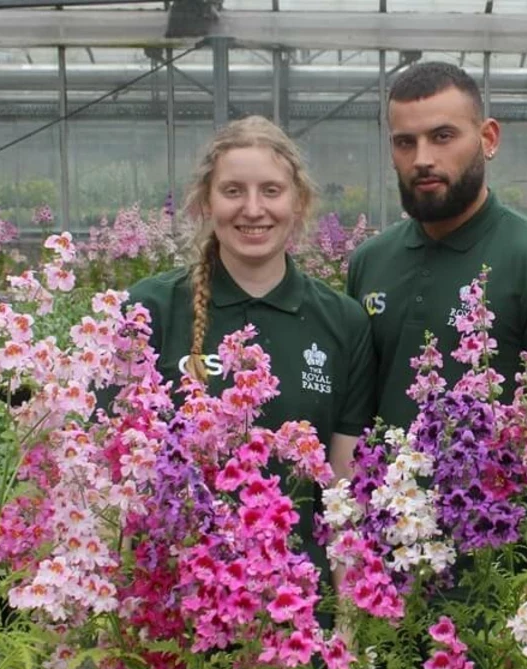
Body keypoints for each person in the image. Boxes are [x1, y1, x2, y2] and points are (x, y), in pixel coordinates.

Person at [126, 115, 377, 557]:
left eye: (271, 190)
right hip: (179, 598)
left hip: (300, 602)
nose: (254, 209)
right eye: (233, 190)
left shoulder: (344, 322)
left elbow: (343, 492)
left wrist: (347, 621)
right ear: (206, 201)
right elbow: (119, 480)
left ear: (298, 202)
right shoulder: (150, 310)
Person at [346, 61, 527, 428]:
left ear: (488, 139)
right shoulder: (370, 262)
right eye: (405, 142)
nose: (422, 159)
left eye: (442, 136)